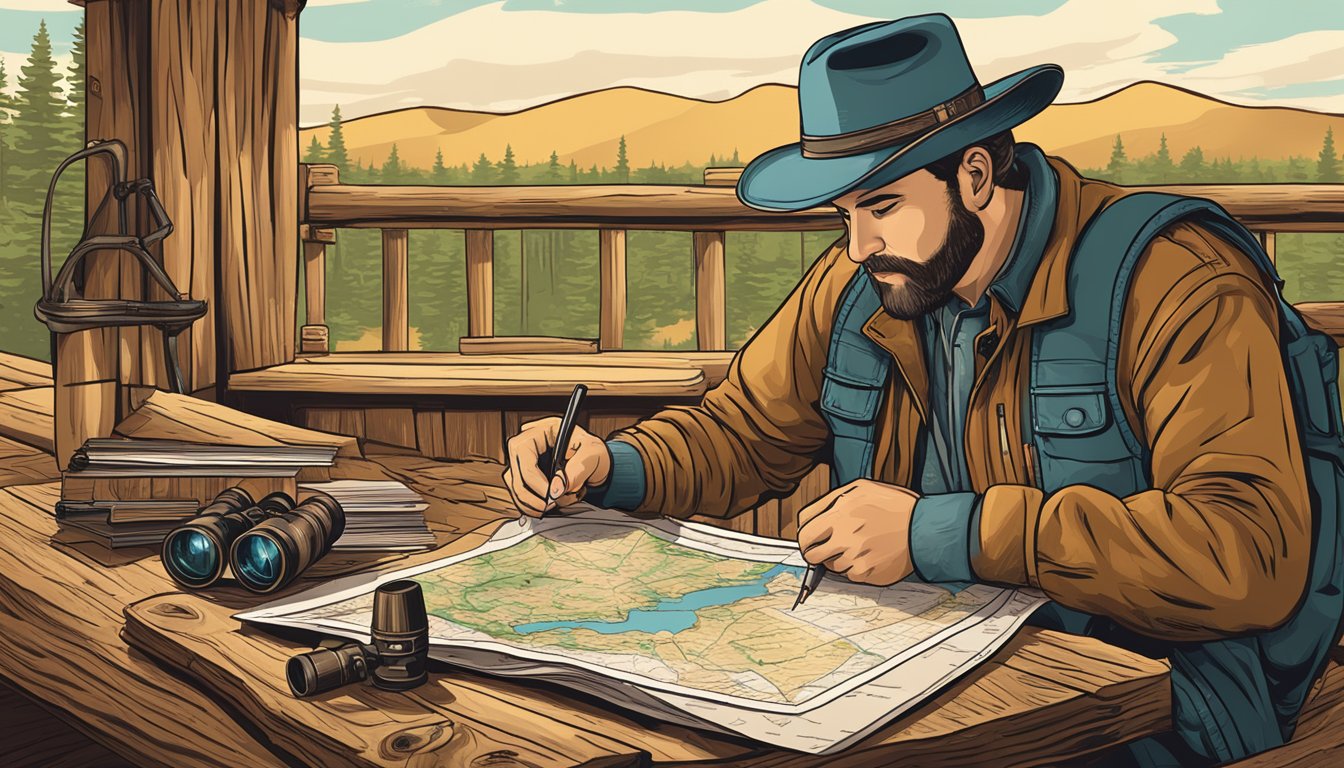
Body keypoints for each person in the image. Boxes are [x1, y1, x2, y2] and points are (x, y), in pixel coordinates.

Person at [503, 14, 1341, 766]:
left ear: (975, 174)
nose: (858, 243)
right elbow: (745, 431)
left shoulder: (1170, 277)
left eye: (884, 206)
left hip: (1158, 693)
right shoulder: (869, 280)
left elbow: (1246, 555)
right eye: (842, 214)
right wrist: (610, 466)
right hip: (929, 664)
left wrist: (942, 533)